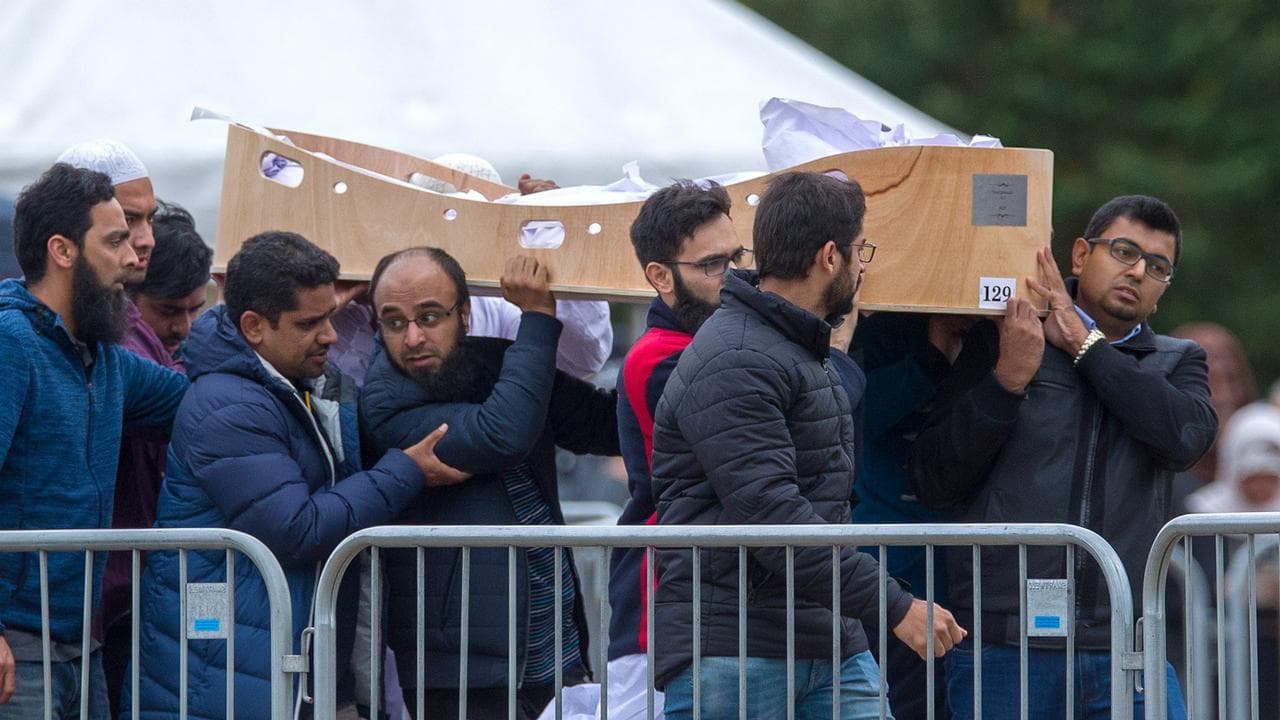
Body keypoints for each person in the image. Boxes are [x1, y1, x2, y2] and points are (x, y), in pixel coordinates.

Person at [650, 171, 965, 720]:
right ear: (828, 256)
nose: (863, 265)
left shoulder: (797, 347)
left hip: (827, 637)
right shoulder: (737, 356)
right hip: (738, 649)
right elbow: (774, 517)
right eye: (859, 250)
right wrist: (894, 606)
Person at [126, 232, 464, 719]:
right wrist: (403, 471)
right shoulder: (229, 405)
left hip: (266, 659)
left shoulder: (283, 384)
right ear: (254, 327)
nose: (330, 334)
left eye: (330, 315)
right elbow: (297, 528)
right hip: (227, 675)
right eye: (310, 322)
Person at [910, 195, 1218, 720]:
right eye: (1124, 251)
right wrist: (1007, 381)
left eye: (1158, 266)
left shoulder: (1177, 361)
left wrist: (1085, 344)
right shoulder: (1008, 336)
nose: (1138, 271)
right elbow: (936, 476)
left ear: (1164, 290)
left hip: (1127, 645)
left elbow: (1185, 440)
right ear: (1079, 255)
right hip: (1002, 644)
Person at [360, 247, 620, 719]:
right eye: (394, 322)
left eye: (429, 316)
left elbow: (606, 425)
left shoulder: (493, 362)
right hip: (461, 673)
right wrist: (537, 318)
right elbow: (504, 435)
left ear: (463, 313)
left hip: (548, 650)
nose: (413, 337)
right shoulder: (384, 403)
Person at [0, 163, 188, 719]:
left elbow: (198, 405)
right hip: (17, 645)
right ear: (63, 250)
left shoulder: (103, 356)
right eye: (115, 240)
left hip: (82, 642)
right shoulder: (10, 343)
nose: (134, 258)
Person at [604, 180, 748, 714]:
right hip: (658, 602)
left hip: (705, 598)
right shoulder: (657, 359)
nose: (734, 278)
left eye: (738, 257)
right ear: (660, 276)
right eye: (713, 265)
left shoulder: (716, 341)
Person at [96, 200, 213, 714]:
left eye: (196, 308)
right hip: (115, 597)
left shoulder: (168, 354)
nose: (184, 326)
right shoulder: (120, 349)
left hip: (135, 590)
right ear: (127, 292)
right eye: (168, 310)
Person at [846, 313, 980, 720]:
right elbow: (853, 416)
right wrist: (933, 354)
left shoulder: (993, 338)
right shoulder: (874, 330)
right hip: (886, 577)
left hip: (962, 582)